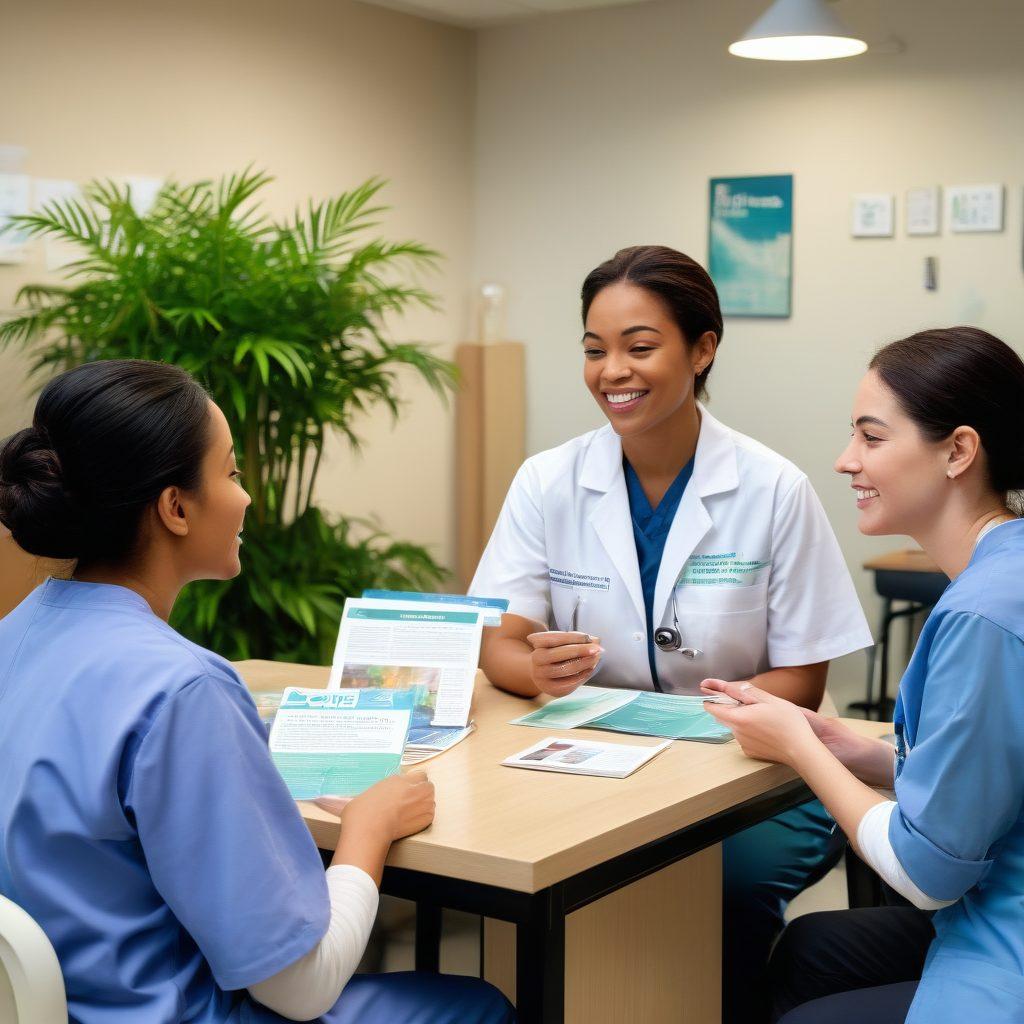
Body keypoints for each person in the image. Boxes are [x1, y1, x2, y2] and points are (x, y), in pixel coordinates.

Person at [0, 359, 513, 1024]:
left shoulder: (14, 634)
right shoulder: (183, 689)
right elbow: (301, 987)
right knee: (475, 1006)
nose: (245, 497)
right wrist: (368, 828)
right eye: (232, 471)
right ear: (175, 507)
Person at [469, 245, 873, 1021]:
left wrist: (695, 722)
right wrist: (538, 671)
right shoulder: (548, 481)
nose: (612, 370)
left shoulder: (771, 488)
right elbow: (498, 643)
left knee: (716, 885)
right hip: (588, 762)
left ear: (703, 350)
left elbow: (802, 682)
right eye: (595, 350)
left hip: (750, 775)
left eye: (639, 347)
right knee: (526, 862)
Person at [702, 326, 1024, 1024]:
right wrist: (860, 751)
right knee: (810, 949)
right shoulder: (1006, 571)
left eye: (872, 438)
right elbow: (994, 768)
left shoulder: (984, 615)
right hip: (992, 895)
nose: (846, 461)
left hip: (1006, 947)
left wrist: (802, 748)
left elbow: (926, 873)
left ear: (959, 451)